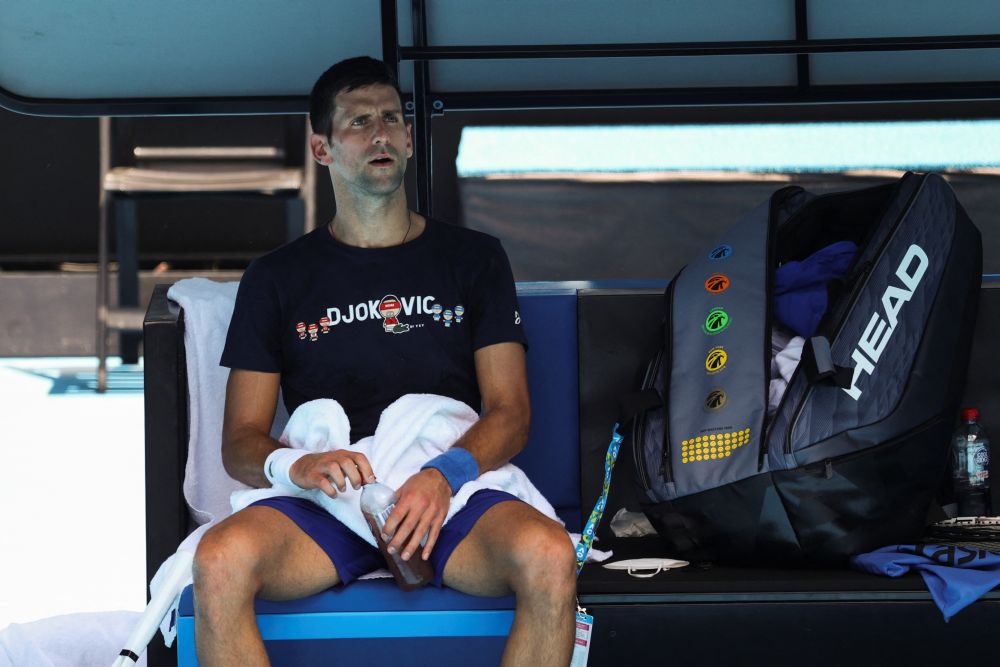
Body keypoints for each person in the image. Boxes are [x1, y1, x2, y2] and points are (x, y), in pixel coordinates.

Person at [192, 56, 577, 666]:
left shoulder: (474, 258)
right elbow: (239, 444)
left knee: (551, 555)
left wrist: (443, 475)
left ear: (409, 139)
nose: (380, 134)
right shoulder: (276, 277)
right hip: (330, 501)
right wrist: (300, 464)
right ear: (321, 147)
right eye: (359, 122)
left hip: (446, 490)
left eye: (392, 119)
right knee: (218, 561)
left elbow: (512, 413)